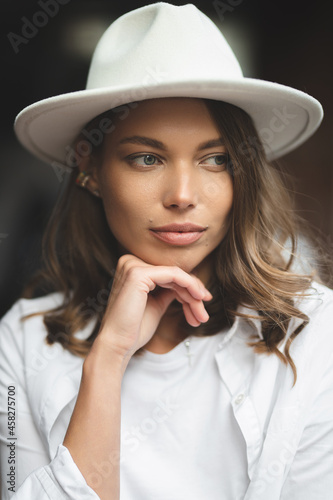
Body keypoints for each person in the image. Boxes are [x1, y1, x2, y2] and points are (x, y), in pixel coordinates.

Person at [1, 2, 332, 499]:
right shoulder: (23, 342)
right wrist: (108, 358)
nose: (182, 194)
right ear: (88, 168)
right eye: (147, 158)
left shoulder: (315, 334)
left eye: (216, 159)